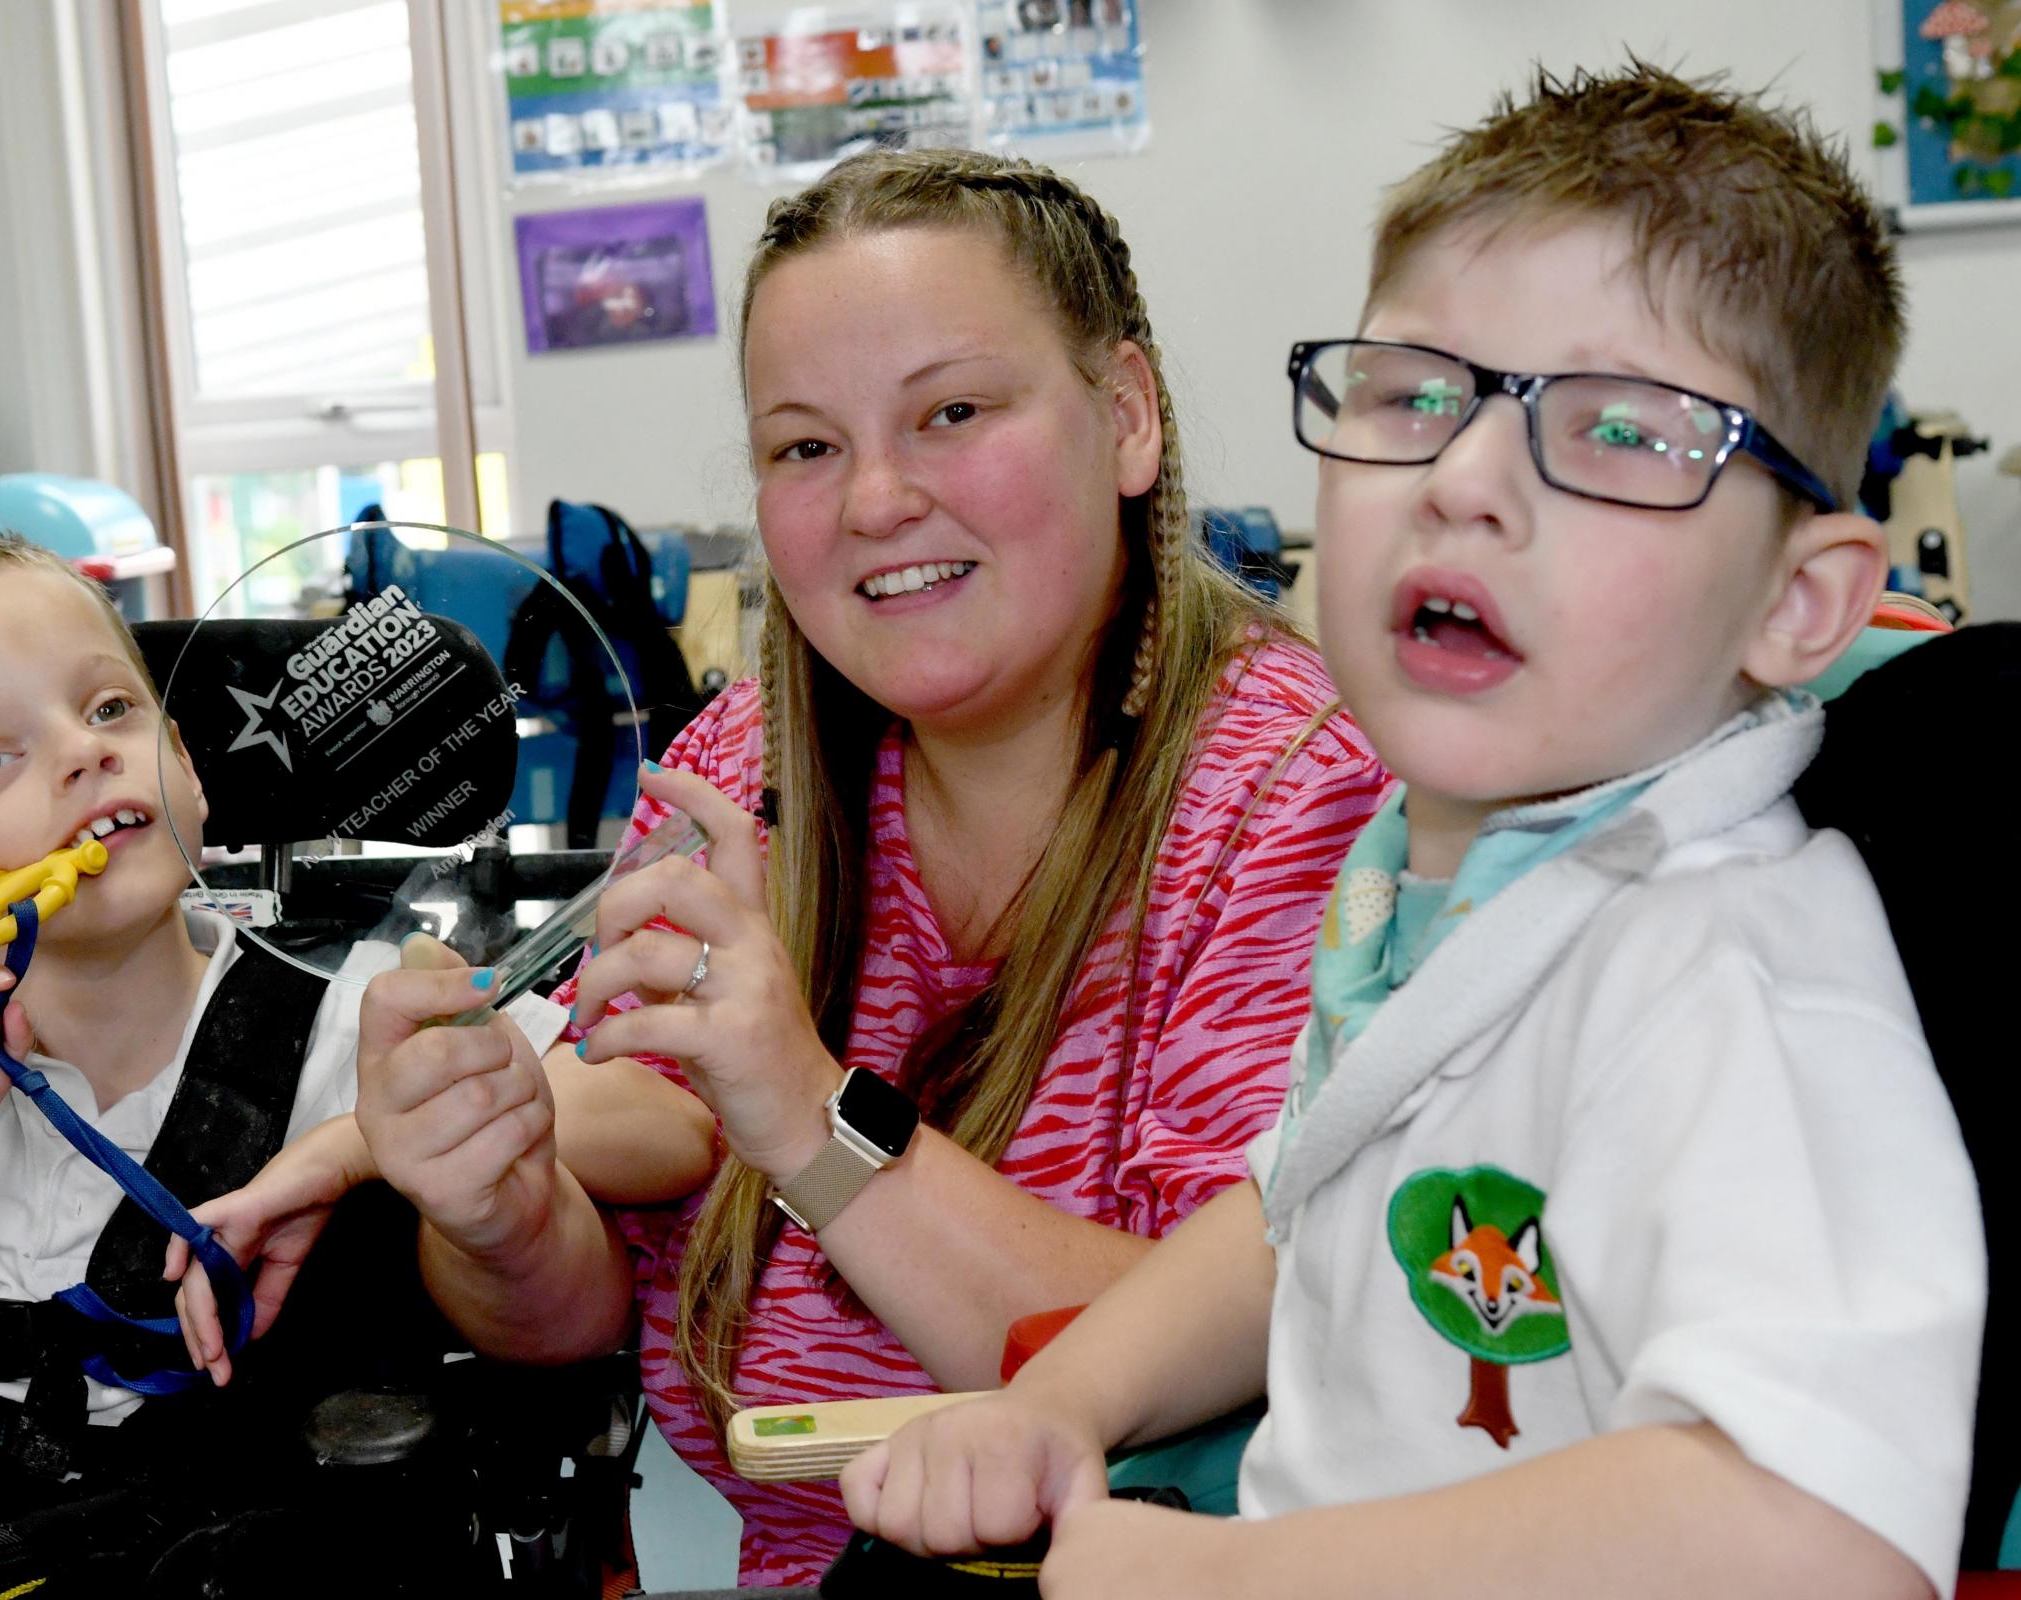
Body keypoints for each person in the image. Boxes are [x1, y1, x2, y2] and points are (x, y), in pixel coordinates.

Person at [840, 63, 1988, 1600]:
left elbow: (1817, 1531)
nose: (1463, 482)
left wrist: (1234, 1580)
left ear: (1798, 604)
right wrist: (1062, 1401)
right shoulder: (1444, 876)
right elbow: (1301, 1206)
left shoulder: (1725, 972)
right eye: (1411, 394)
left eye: (1623, 432)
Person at [346, 148, 1389, 1585]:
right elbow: (592, 1310)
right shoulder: (743, 768)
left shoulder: (1300, 796)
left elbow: (1242, 1351)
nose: (876, 500)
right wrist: (493, 1203)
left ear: (1129, 416)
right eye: (806, 447)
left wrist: (813, 1118)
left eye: (954, 412)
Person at [0, 537, 713, 1523]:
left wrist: (363, 1138)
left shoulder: (360, 1011)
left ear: (185, 762)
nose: (85, 752)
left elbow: (669, 1124)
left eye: (110, 707)